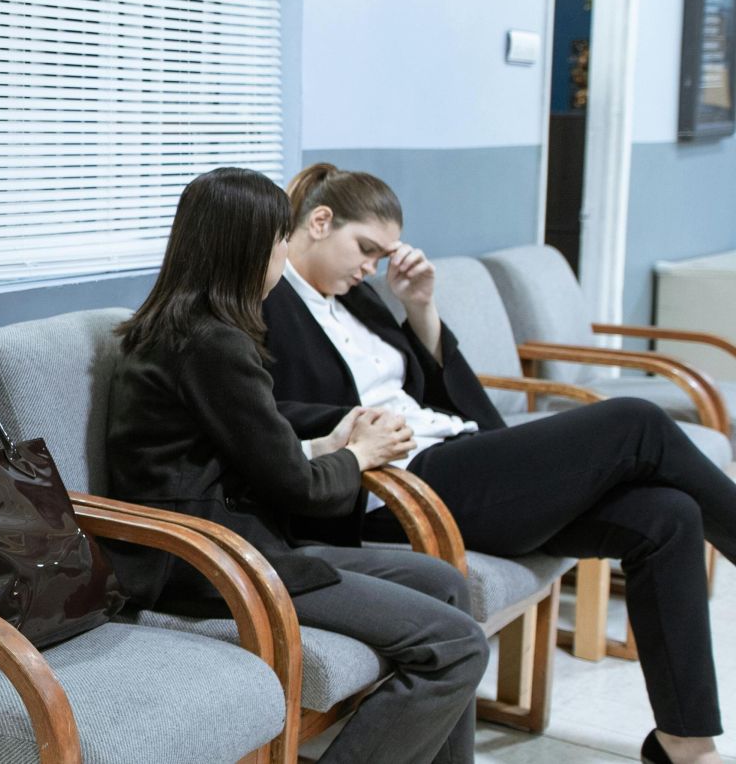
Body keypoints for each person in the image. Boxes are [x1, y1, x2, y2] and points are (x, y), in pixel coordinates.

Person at [265, 161, 736, 764]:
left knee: (667, 515)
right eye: (365, 249)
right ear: (319, 222)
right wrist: (352, 434)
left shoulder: (361, 301)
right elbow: (268, 415)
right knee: (635, 421)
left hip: (456, 457)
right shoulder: (270, 300)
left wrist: (421, 309)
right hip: (399, 482)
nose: (371, 268)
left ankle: (684, 742)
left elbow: (460, 404)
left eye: (383, 257)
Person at [107, 168, 488, 764]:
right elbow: (299, 488)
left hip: (230, 542)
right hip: (211, 561)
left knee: (444, 584)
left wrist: (328, 443)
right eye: (281, 242)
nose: (285, 255)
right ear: (252, 249)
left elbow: (244, 456)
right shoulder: (214, 344)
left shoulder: (181, 328)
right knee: (458, 646)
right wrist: (358, 455)